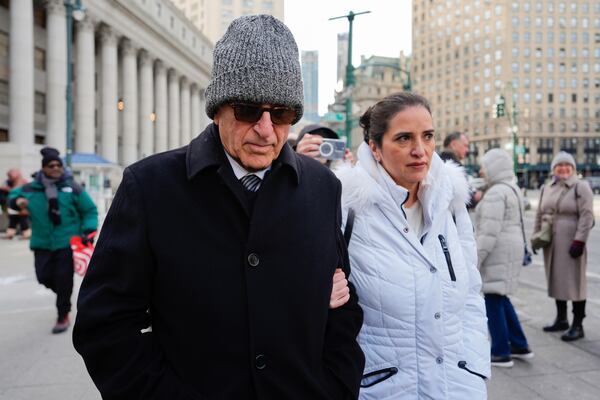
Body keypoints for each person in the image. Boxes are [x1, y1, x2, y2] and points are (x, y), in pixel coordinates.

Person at [73, 15, 364, 399]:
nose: (265, 129)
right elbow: (106, 325)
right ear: (217, 109)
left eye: (281, 115)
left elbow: (342, 308)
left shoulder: (323, 187)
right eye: (248, 111)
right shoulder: (150, 187)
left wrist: (333, 387)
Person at [335, 92, 490, 399]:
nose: (420, 150)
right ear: (375, 148)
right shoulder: (346, 207)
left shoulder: (452, 203)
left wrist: (474, 368)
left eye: (428, 136)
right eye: (404, 138)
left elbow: (472, 292)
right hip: (381, 390)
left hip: (457, 386)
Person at [8, 147, 98, 334]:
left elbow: (89, 210)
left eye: (59, 165)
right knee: (44, 277)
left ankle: (63, 315)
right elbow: (12, 196)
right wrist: (18, 203)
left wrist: (88, 230)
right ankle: (63, 295)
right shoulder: (31, 188)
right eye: (51, 165)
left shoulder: (72, 187)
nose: (56, 168)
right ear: (43, 168)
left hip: (67, 242)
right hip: (41, 243)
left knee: (64, 279)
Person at [475, 149, 533, 368]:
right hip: (510, 248)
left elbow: (489, 232)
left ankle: (500, 351)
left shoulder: (496, 193)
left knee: (493, 298)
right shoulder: (511, 188)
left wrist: (475, 259)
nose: (482, 170)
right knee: (501, 297)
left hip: (499, 250)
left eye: (485, 166)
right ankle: (519, 344)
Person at [534, 151, 594, 341]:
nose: (563, 168)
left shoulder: (581, 187)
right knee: (556, 279)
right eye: (559, 165)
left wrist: (579, 241)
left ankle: (578, 324)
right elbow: (539, 214)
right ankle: (561, 319)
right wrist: (536, 236)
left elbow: (587, 216)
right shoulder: (546, 188)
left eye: (567, 165)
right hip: (551, 241)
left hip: (572, 242)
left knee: (575, 283)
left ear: (573, 168)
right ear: (554, 169)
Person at [1, 168, 31, 239]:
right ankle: (11, 233)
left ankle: (26, 234)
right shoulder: (8, 183)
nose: (10, 177)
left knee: (22, 219)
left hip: (20, 204)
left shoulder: (24, 183)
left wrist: (25, 208)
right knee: (13, 220)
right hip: (11, 205)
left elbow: (26, 196)